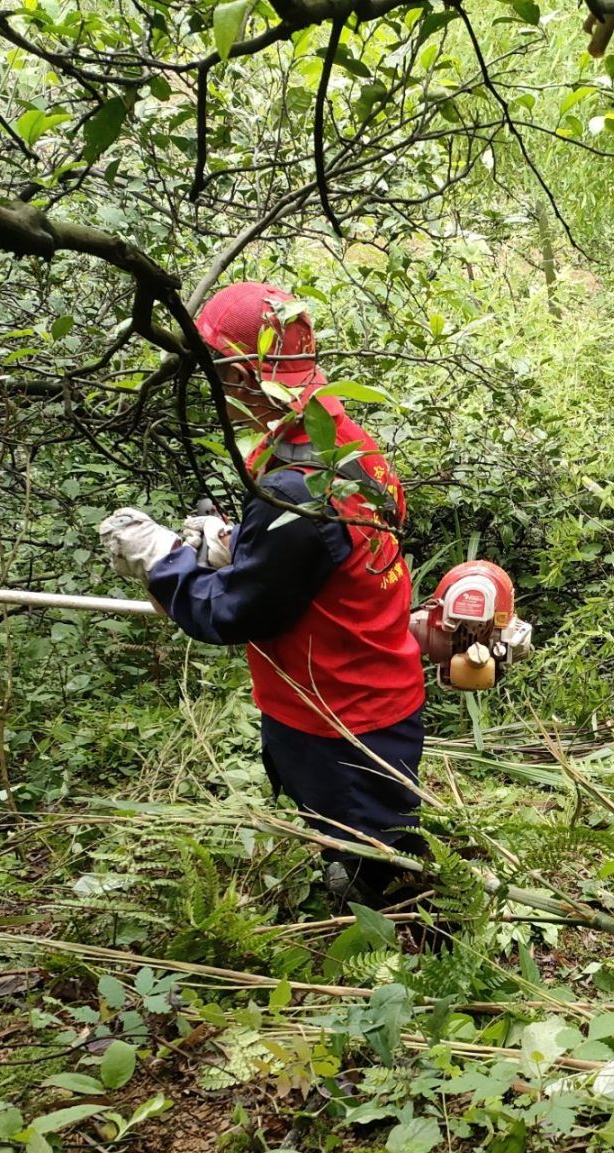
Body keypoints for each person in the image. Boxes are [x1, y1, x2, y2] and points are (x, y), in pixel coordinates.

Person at [99, 282, 427, 905]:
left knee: (380, 866)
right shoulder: (343, 443)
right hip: (374, 693)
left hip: (338, 719)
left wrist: (162, 560)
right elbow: (330, 555)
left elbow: (231, 613)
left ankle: (401, 940)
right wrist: (243, 544)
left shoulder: (296, 486)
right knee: (373, 837)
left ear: (238, 376)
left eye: (215, 373)